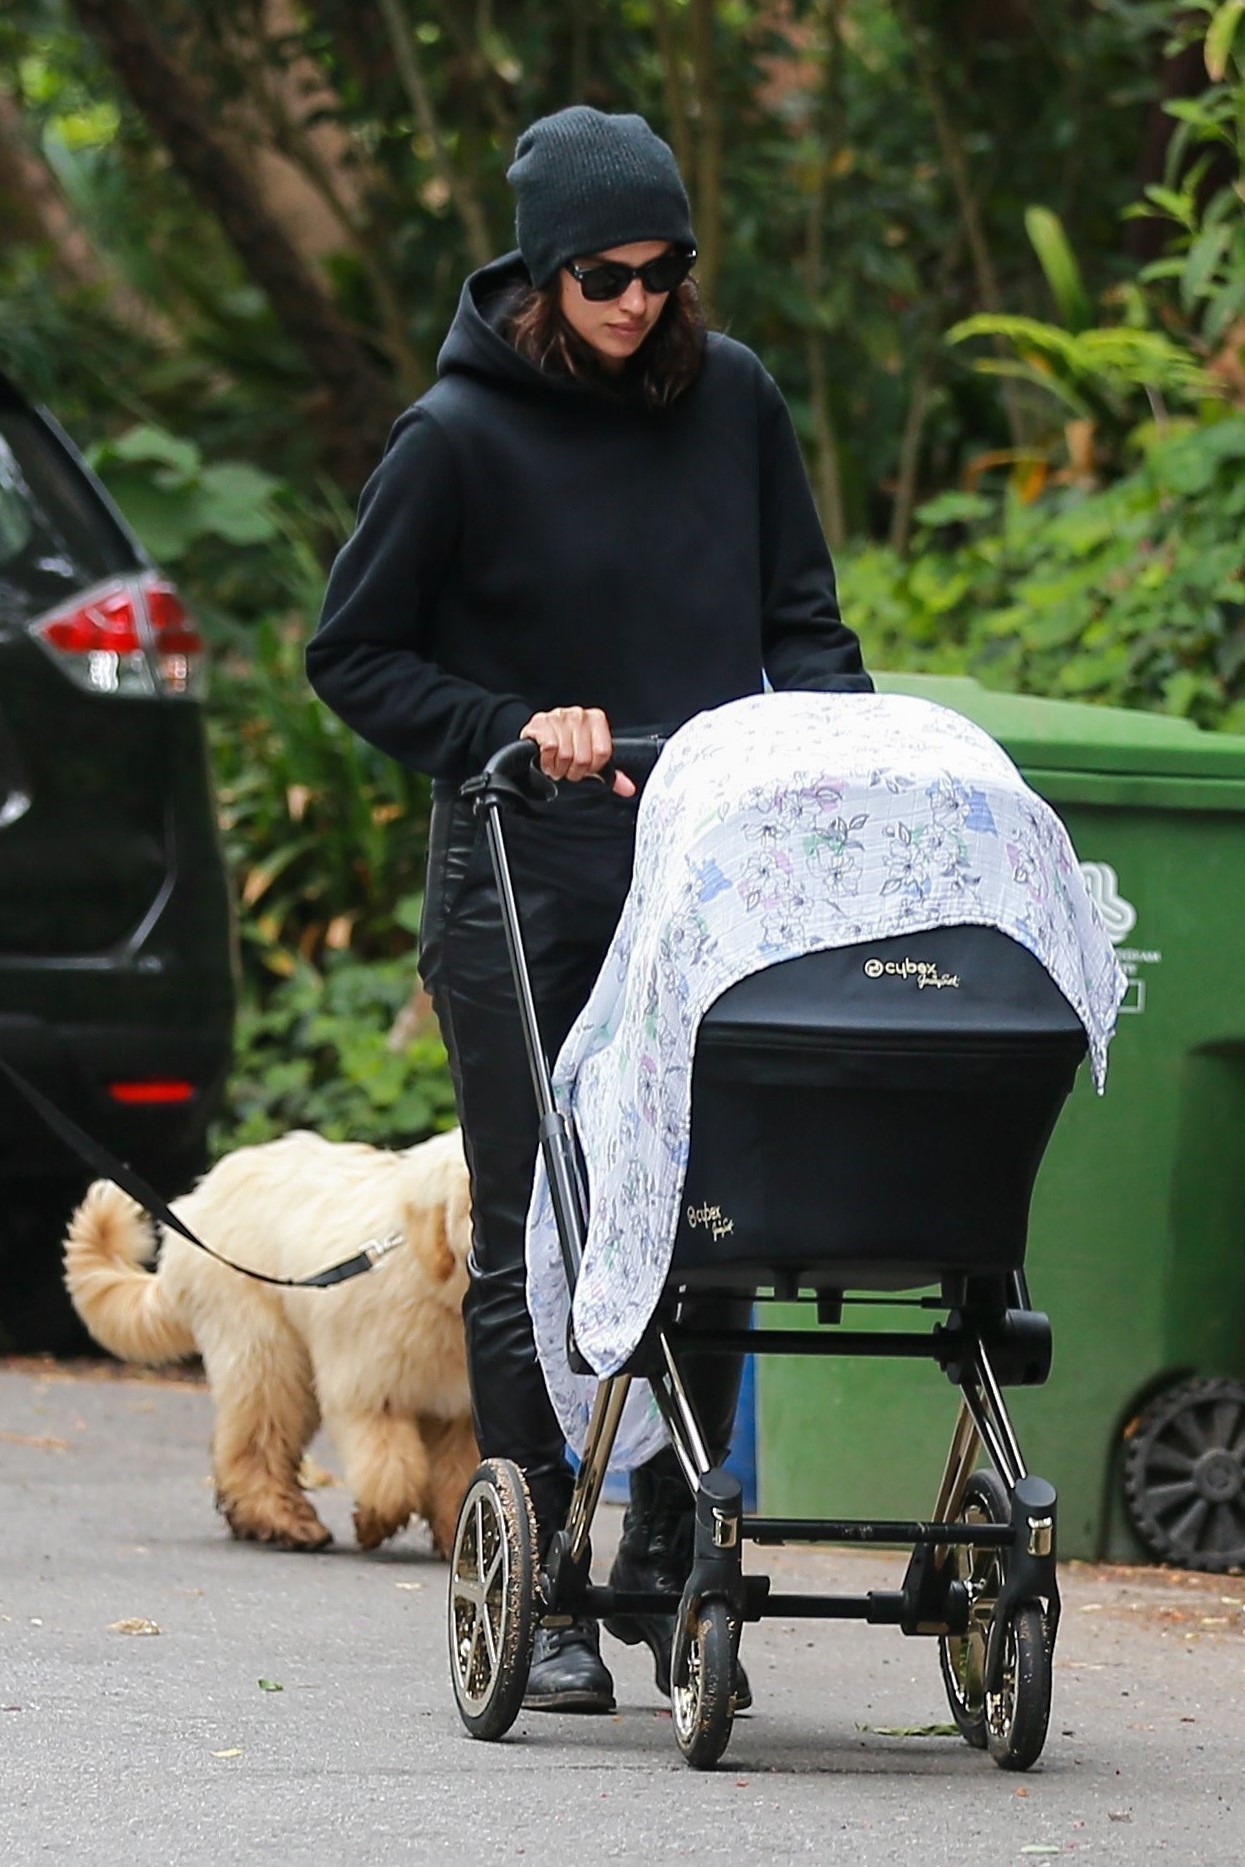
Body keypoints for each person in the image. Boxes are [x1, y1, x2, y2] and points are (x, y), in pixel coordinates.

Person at [306, 104, 872, 1714]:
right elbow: (351, 655)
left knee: (714, 1211)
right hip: (522, 880)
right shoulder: (453, 439)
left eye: (661, 272)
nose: (636, 303)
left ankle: (672, 1536)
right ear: (543, 279)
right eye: (604, 278)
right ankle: (541, 1567)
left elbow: (805, 628)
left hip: (706, 876)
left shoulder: (735, 400)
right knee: (533, 1222)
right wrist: (508, 725)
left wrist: (832, 756)